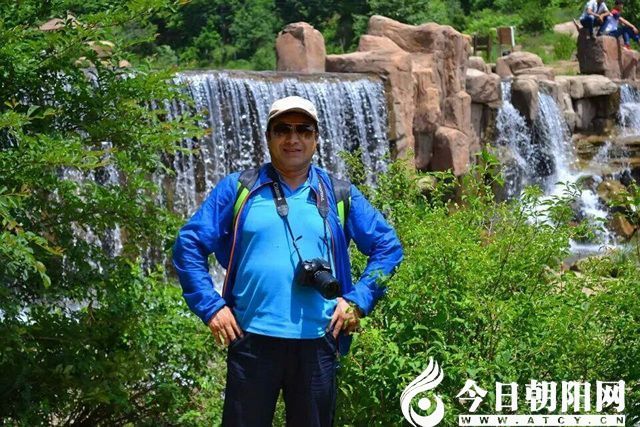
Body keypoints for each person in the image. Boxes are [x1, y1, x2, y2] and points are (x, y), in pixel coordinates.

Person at [172, 95, 403, 427]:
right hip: (251, 340)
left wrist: (358, 300)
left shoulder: (339, 194)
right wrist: (210, 307)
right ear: (269, 137)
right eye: (282, 129)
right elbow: (189, 243)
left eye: (303, 130)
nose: (293, 139)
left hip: (318, 343)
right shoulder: (239, 189)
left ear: (316, 138)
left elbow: (388, 247)